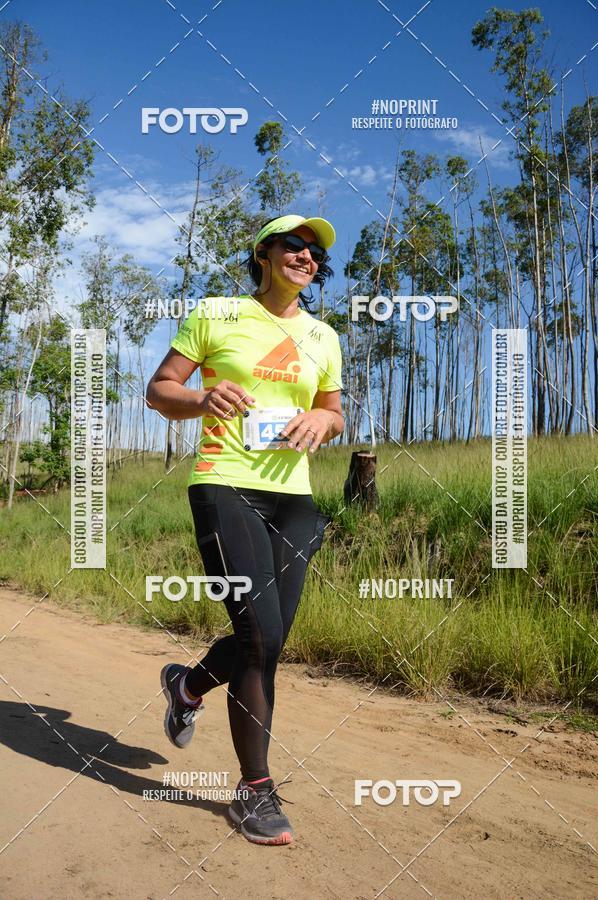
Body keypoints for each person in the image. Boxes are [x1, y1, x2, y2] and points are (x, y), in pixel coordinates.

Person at [146, 214, 344, 845]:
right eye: (294, 245)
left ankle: (186, 684)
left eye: (315, 252)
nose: (306, 256)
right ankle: (253, 790)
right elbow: (159, 389)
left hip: (295, 499)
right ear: (263, 253)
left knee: (270, 636)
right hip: (225, 484)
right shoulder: (216, 314)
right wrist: (201, 399)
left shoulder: (323, 336)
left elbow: (334, 411)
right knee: (259, 637)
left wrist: (324, 420)